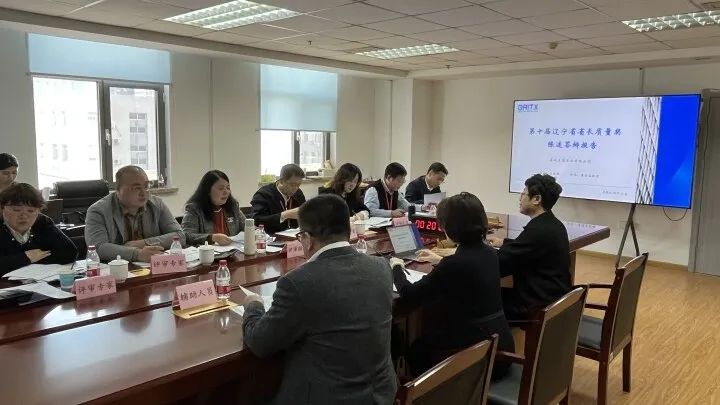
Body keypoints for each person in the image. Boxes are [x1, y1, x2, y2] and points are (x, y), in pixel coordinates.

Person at [242, 194, 396, 404]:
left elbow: (260, 342)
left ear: (307, 238)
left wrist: (253, 305)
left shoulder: (299, 282)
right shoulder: (381, 267)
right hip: (381, 395)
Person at [392, 192, 514, 379]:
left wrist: (396, 268)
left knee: (416, 348)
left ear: (448, 227)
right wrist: (441, 259)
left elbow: (410, 294)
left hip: (476, 359)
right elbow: (466, 268)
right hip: (500, 347)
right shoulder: (490, 253)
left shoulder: (453, 264)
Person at [487, 174, 571, 320]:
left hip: (536, 305)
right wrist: (504, 242)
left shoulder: (538, 230)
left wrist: (475, 252)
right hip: (552, 298)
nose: (520, 197)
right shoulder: (553, 224)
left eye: (523, 193)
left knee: (479, 297)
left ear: (536, 199)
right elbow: (527, 248)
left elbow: (500, 264)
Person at [84, 166, 184, 262]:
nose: (143, 193)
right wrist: (137, 254)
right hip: (115, 269)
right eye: (136, 188)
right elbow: (98, 248)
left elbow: (180, 236)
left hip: (151, 267)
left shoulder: (157, 204)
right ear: (118, 190)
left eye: (146, 186)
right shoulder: (98, 211)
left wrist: (142, 243)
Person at [0, 183, 77, 273]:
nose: (24, 216)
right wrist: (26, 257)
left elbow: (70, 253)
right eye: (16, 210)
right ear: (2, 208)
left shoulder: (42, 222)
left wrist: (18, 261)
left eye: (31, 211)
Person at [182, 170, 245, 246]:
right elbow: (186, 235)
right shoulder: (194, 209)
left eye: (228, 188)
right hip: (208, 252)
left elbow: (247, 226)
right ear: (208, 190)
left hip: (233, 251)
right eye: (221, 188)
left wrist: (255, 231)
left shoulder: (233, 206)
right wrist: (212, 238)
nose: (226, 192)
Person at [250, 164, 306, 234]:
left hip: (294, 235)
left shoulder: (298, 193)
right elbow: (257, 220)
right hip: (271, 237)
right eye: (292, 184)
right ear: (281, 181)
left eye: (298, 185)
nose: (295, 188)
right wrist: (284, 215)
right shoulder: (263, 194)